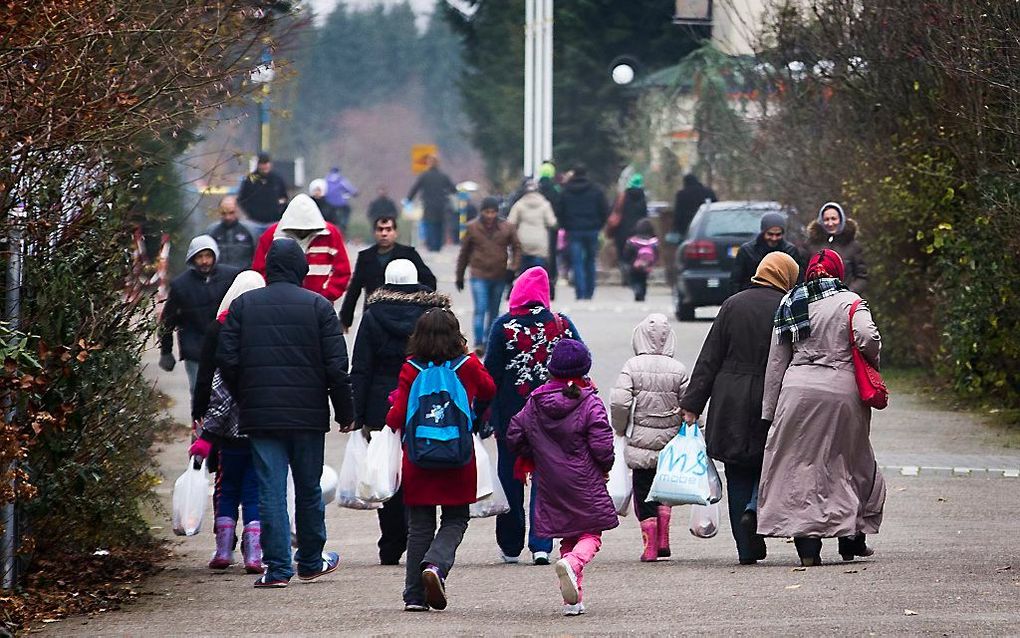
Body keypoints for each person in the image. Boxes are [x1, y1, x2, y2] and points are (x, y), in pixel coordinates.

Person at [217, 238, 354, 588]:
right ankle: (309, 560)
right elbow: (337, 366)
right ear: (301, 269)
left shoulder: (244, 306)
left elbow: (227, 360)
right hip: (307, 414)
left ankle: (277, 569)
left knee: (270, 489)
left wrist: (246, 395)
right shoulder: (319, 306)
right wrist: (345, 411)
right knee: (308, 488)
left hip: (261, 414)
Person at [758, 248, 886, 566]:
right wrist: (870, 357)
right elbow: (867, 336)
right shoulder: (850, 302)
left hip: (797, 391)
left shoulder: (791, 302)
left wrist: (770, 408)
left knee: (798, 466)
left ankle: (807, 548)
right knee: (847, 461)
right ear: (838, 271)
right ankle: (849, 537)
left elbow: (777, 360)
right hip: (841, 392)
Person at [679, 252, 800, 565]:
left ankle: (746, 549)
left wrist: (692, 403)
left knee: (736, 470)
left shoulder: (733, 304)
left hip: (730, 396)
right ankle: (754, 508)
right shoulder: (787, 307)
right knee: (768, 466)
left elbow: (710, 357)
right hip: (772, 395)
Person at [384, 309, 495, 612]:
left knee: (419, 525)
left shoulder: (410, 369)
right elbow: (489, 389)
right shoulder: (467, 365)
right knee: (456, 518)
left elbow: (397, 415)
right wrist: (470, 359)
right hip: (458, 457)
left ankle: (414, 597)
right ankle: (435, 565)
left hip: (419, 459)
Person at [349, 259, 451, 565]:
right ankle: (418, 532)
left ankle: (391, 543)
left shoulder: (373, 315)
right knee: (419, 466)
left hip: (383, 403)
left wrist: (357, 412)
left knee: (388, 468)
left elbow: (362, 368)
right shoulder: (433, 314)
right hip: (424, 398)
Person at [507, 339, 617, 617]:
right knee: (591, 532)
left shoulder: (536, 401)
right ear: (584, 369)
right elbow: (602, 445)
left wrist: (534, 454)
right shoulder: (589, 401)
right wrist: (605, 465)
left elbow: (514, 433)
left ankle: (573, 600)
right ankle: (574, 561)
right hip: (585, 478)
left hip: (549, 480)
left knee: (569, 533)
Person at [483, 267, 580, 565]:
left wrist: (482, 416)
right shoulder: (561, 324)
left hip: (511, 418)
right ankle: (541, 544)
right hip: (554, 417)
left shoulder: (504, 327)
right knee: (546, 477)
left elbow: (490, 376)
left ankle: (510, 546)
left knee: (510, 477)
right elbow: (581, 359)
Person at [188, 270, 266, 573]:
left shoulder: (217, 329)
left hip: (227, 433)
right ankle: (254, 553)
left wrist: (204, 427)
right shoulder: (265, 336)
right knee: (254, 490)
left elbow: (208, 380)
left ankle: (223, 548)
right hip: (260, 429)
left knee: (226, 487)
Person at [609, 314, 690, 562]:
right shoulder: (678, 369)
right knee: (664, 490)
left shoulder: (632, 367)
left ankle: (650, 547)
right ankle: (664, 538)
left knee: (643, 491)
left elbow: (619, 402)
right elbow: (690, 404)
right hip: (670, 441)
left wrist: (620, 428)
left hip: (641, 442)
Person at [159, 235, 240, 400]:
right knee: (199, 394)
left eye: (208, 256)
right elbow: (168, 319)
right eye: (200, 256)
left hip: (226, 346)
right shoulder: (181, 285)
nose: (204, 261)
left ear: (215, 256)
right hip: (195, 349)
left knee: (229, 394)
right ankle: (200, 425)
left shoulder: (231, 277)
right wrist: (166, 351)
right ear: (192, 258)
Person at [251, 194, 352, 305]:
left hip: (319, 304)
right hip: (279, 303)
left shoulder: (331, 234)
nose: (302, 233)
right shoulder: (271, 235)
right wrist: (272, 295)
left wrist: (326, 296)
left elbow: (342, 271)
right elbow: (259, 271)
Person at [339, 217, 436, 330]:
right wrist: (345, 319)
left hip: (404, 313)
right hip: (374, 314)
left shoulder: (408, 254)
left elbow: (429, 280)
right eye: (380, 230)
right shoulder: (366, 257)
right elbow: (354, 290)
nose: (384, 234)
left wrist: (422, 306)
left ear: (395, 233)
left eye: (388, 229)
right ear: (374, 233)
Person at [455, 197, 522, 352]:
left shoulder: (507, 228)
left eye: (493, 212)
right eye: (487, 212)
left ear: (497, 212)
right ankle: (479, 342)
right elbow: (464, 253)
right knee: (480, 308)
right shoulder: (472, 228)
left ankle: (489, 341)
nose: (490, 215)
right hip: (478, 274)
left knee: (494, 310)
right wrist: (460, 275)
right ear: (482, 212)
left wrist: (513, 268)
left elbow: (517, 248)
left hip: (499, 274)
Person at [556, 164, 609, 300]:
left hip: (573, 230)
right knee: (591, 261)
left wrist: (565, 225)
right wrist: (599, 225)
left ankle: (580, 292)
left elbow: (560, 211)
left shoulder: (566, 190)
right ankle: (589, 292)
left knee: (576, 262)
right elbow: (604, 210)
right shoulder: (596, 190)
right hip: (592, 229)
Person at [730, 211, 803, 294]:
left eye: (778, 234)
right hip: (752, 297)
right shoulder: (747, 251)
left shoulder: (790, 251)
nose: (774, 238)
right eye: (770, 234)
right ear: (763, 232)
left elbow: (798, 280)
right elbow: (736, 281)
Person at [806, 202, 868, 293]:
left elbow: (862, 277)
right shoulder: (810, 245)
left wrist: (849, 292)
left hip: (845, 301)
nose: (830, 223)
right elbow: (802, 274)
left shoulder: (853, 246)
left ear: (841, 220)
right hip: (816, 301)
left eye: (834, 219)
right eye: (826, 219)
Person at [406, 155, 456, 252]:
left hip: (428, 205)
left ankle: (431, 245)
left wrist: (409, 199)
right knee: (440, 225)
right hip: (441, 205)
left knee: (429, 224)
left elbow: (415, 188)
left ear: (428, 164)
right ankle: (438, 245)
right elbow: (453, 189)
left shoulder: (424, 176)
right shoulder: (443, 176)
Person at [507, 179, 558, 273]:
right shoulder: (545, 204)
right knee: (538, 274)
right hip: (540, 243)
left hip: (523, 242)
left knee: (524, 274)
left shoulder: (519, 204)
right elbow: (552, 223)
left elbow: (510, 222)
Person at [237, 152, 289, 239]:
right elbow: (242, 199)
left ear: (270, 164)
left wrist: (279, 211)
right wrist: (251, 212)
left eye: (266, 163)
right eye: (262, 163)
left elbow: (285, 198)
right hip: (254, 223)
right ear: (258, 164)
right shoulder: (250, 180)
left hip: (273, 222)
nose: (265, 166)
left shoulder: (277, 180)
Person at [205, 195, 256, 269]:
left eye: (231, 213)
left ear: (237, 211)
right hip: (219, 277)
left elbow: (258, 257)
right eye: (223, 213)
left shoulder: (251, 231)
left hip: (244, 276)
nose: (227, 217)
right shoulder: (211, 232)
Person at [613, 173, 648, 275]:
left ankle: (625, 273)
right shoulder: (642, 198)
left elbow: (615, 210)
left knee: (623, 253)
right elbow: (644, 214)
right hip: (638, 230)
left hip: (622, 230)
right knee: (637, 253)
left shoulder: (623, 196)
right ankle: (635, 273)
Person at [621, 219, 659, 302]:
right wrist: (653, 262)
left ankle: (637, 290)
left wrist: (627, 261)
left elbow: (626, 254)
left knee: (634, 280)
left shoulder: (632, 241)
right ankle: (642, 293)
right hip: (647, 265)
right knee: (643, 280)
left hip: (634, 265)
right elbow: (656, 253)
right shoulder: (653, 242)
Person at [671, 174, 717, 240]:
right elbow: (715, 207)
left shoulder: (682, 194)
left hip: (687, 226)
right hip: (706, 226)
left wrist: (675, 228)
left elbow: (678, 213)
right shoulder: (708, 192)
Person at [325, 166, 358, 234]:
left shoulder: (326, 179)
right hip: (341, 204)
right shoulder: (341, 180)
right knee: (347, 211)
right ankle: (343, 227)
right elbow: (350, 189)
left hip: (328, 204)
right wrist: (355, 193)